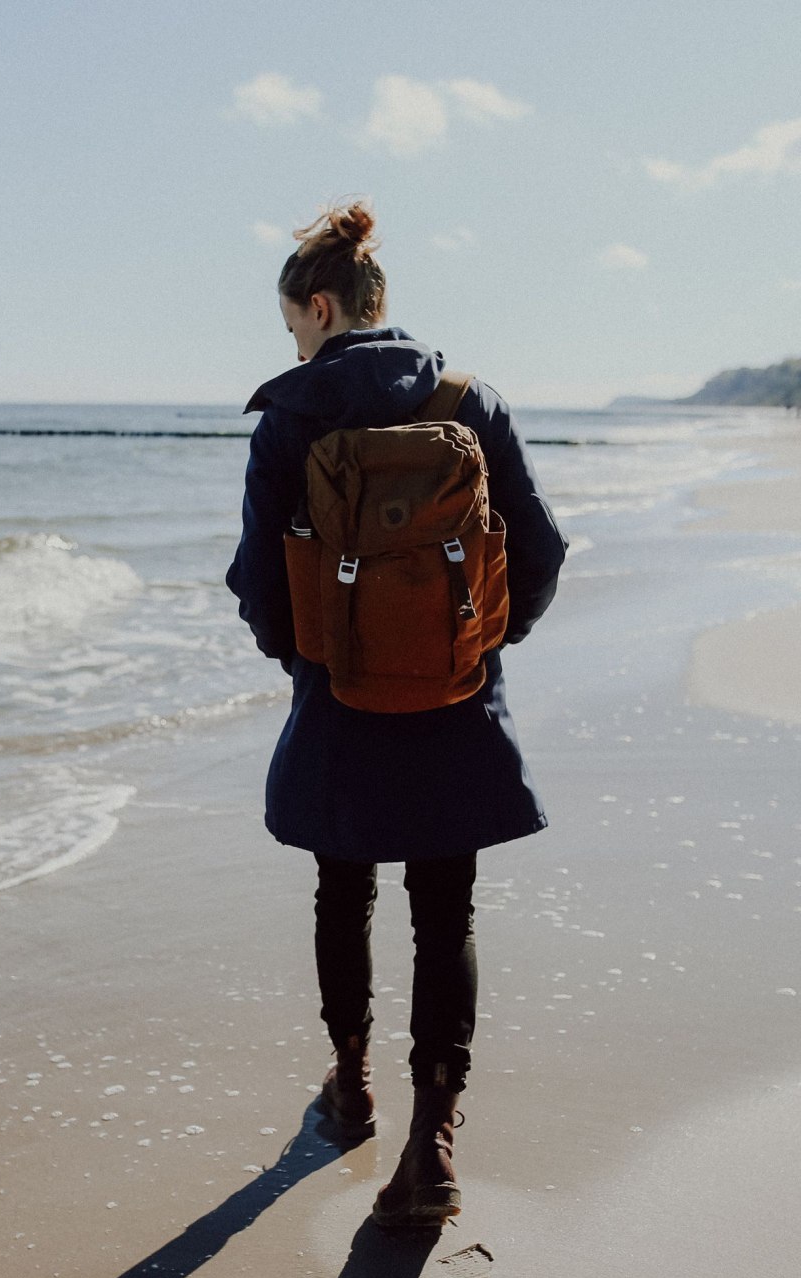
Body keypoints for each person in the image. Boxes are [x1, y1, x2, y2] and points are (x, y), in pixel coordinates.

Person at [226, 200, 567, 1226]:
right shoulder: (472, 399)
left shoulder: (294, 415)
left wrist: (314, 667)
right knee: (445, 912)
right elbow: (540, 555)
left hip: (340, 703)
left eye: (294, 327)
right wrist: (474, 654)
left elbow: (257, 582)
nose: (294, 343)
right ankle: (435, 1148)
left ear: (321, 307)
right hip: (458, 703)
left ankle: (352, 1085)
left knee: (345, 894)